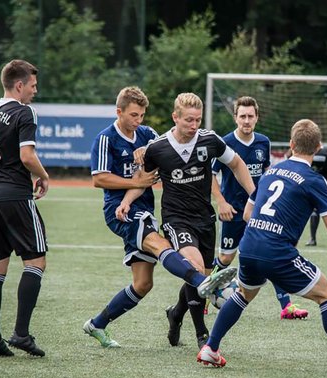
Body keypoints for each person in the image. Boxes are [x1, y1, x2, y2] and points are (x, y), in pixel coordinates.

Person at [197, 119, 327, 376]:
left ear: (291, 145)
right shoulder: (315, 180)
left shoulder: (271, 172)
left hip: (249, 245)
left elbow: (248, 213)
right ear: (318, 148)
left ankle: (210, 348)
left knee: (244, 295)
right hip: (276, 251)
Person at [83, 86, 237, 349]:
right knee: (165, 247)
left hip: (145, 210)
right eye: (133, 115)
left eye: (142, 115)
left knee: (143, 284)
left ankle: (97, 324)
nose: (139, 120)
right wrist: (133, 184)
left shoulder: (147, 135)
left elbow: (162, 151)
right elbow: (99, 179)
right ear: (119, 112)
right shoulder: (106, 138)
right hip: (120, 211)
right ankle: (205, 285)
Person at [119, 92, 255, 349]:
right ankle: (202, 334)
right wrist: (127, 201)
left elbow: (237, 164)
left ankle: (176, 313)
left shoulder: (209, 140)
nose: (194, 126)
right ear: (175, 117)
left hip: (205, 218)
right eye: (188, 121)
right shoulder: (158, 148)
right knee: (193, 264)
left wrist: (254, 196)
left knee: (200, 276)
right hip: (176, 218)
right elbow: (142, 180)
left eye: (198, 120)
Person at [0, 59, 49, 357]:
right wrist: (43, 176)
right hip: (15, 196)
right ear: (19, 85)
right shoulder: (24, 111)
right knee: (36, 262)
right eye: (32, 85)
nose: (34, 90)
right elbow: (27, 155)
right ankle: (21, 334)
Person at [210, 96, 308, 319]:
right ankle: (205, 294)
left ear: (257, 118)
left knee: (270, 253)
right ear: (235, 118)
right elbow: (211, 174)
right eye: (242, 116)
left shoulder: (263, 142)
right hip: (233, 212)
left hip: (257, 212)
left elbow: (266, 175)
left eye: (250, 116)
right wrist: (221, 201)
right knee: (225, 259)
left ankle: (287, 306)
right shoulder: (225, 143)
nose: (246, 120)